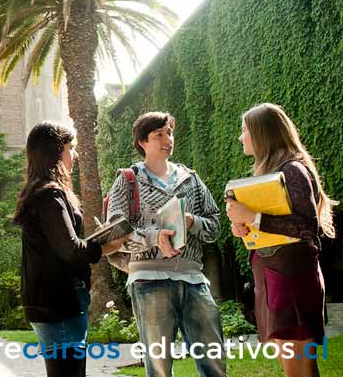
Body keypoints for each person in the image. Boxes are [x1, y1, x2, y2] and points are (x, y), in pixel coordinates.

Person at [105, 111, 226, 377]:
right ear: (142, 142)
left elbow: (215, 225)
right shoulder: (128, 180)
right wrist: (153, 237)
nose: (167, 139)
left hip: (194, 279)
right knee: (159, 370)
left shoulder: (191, 179)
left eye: (169, 133)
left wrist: (193, 221)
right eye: (158, 135)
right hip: (149, 280)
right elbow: (115, 236)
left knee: (215, 363)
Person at [225, 103, 335, 377]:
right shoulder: (273, 173)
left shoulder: (293, 170)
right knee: (297, 369)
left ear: (262, 133)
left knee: (299, 370)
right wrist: (244, 228)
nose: (241, 137)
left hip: (291, 281)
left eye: (245, 130)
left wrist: (254, 217)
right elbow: (277, 228)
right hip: (276, 278)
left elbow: (307, 227)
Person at [13, 122, 127, 377]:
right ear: (55, 152)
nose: (75, 154)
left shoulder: (41, 192)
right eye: (70, 148)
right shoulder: (49, 195)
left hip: (52, 300)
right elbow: (71, 249)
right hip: (59, 302)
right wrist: (110, 245)